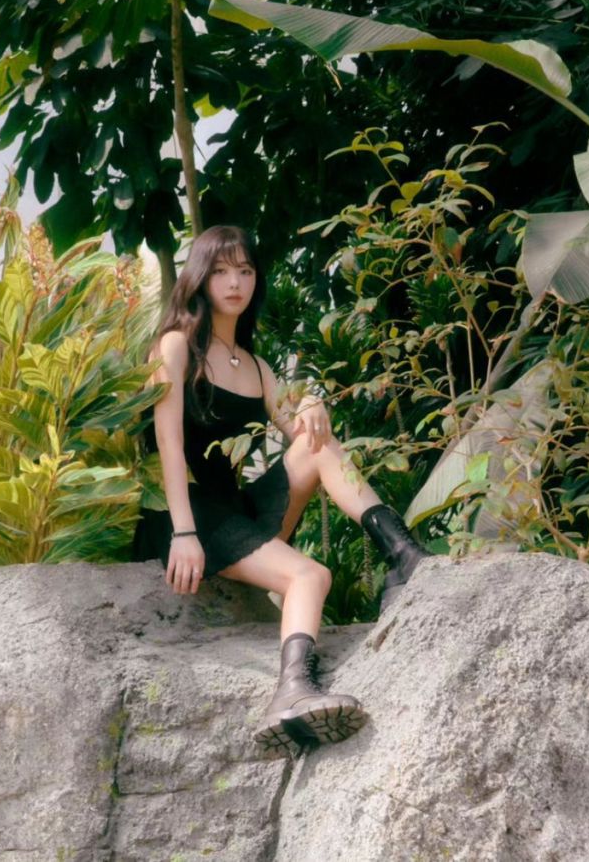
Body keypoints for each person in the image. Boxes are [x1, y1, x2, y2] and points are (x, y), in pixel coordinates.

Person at [133, 225, 431, 758]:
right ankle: (292, 689)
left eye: (245, 270)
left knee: (319, 443)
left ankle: (402, 553)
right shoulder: (175, 347)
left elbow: (304, 435)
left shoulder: (256, 366)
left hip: (236, 510)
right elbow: (168, 447)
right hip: (190, 515)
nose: (235, 282)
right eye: (221, 271)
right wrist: (183, 533)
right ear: (199, 278)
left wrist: (311, 404)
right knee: (309, 575)